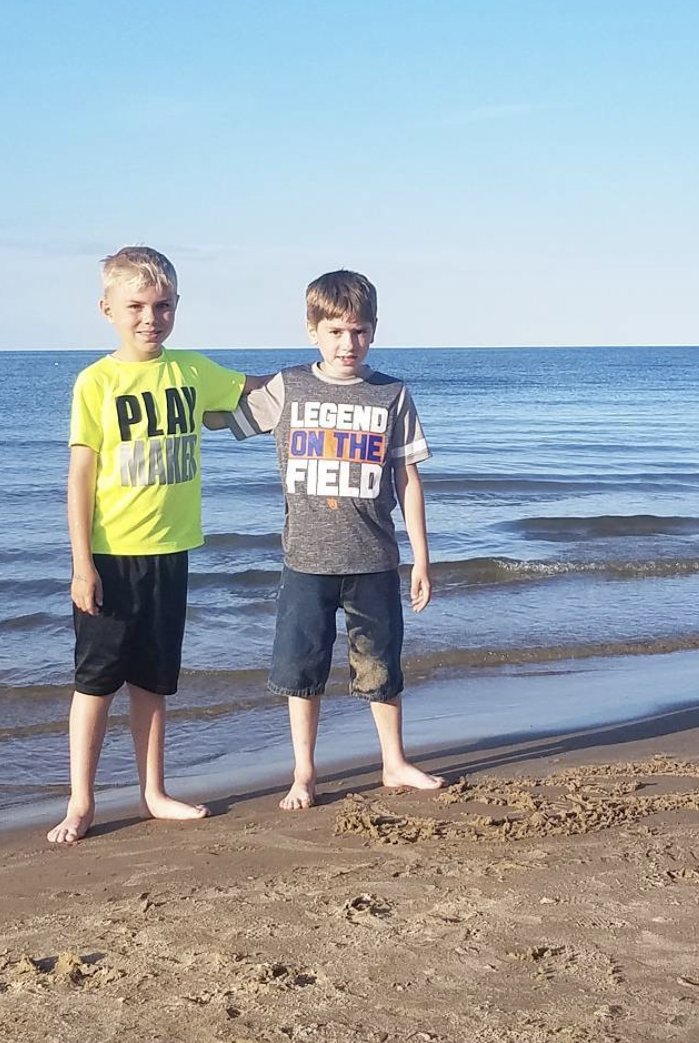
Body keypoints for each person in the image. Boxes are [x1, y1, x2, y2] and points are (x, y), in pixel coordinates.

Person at [212, 269, 442, 810]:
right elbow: (222, 419)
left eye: (359, 331)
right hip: (305, 561)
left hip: (374, 559)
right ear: (312, 330)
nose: (348, 344)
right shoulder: (289, 387)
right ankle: (304, 773)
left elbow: (408, 479)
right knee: (302, 671)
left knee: (381, 667)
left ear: (374, 330)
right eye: (335, 332)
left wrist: (422, 558)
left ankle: (393, 762)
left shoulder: (392, 394)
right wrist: (189, 380)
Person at [48, 246, 251, 844]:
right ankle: (80, 801)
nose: (150, 318)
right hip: (110, 557)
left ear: (177, 306)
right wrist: (82, 564)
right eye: (135, 305)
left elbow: (253, 395)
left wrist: (320, 378)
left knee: (154, 680)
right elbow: (80, 477)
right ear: (107, 309)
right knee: (95, 681)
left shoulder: (192, 371)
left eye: (162, 306)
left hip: (170, 551)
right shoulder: (96, 382)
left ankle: (153, 792)